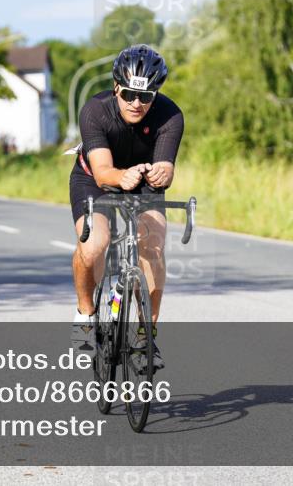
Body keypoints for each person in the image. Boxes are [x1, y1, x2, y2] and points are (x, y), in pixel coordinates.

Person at [68, 44, 183, 372]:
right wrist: (123, 176)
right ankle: (85, 312)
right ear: (116, 87)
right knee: (95, 245)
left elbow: (166, 165)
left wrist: (165, 171)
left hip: (144, 181)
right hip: (96, 178)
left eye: (146, 97)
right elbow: (103, 172)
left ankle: (146, 336)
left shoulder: (170, 115)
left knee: (154, 245)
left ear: (156, 94)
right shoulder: (96, 110)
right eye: (130, 94)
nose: (137, 103)